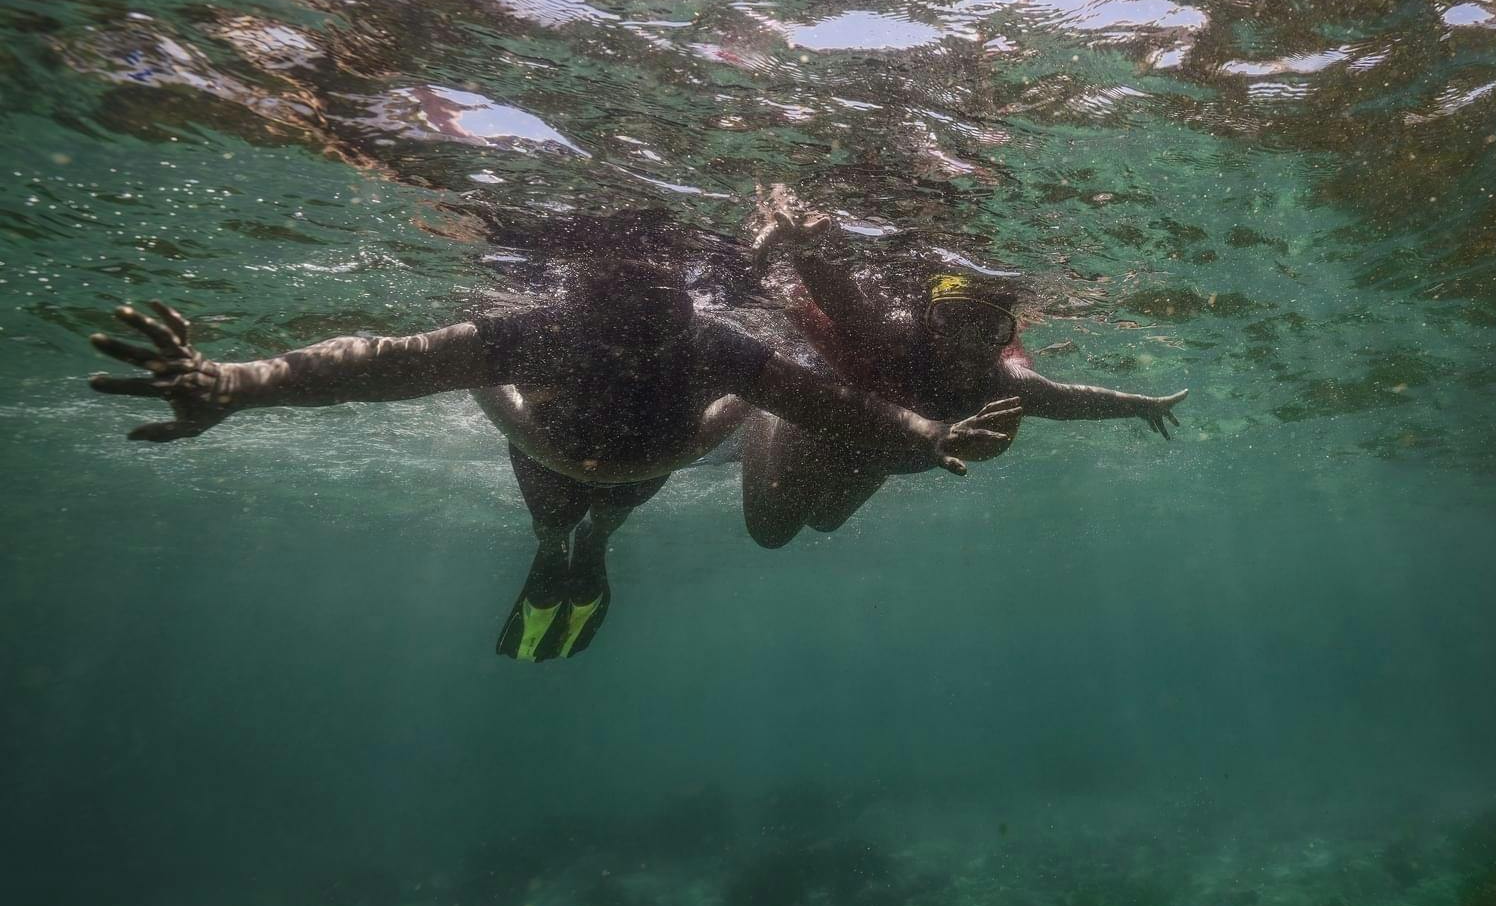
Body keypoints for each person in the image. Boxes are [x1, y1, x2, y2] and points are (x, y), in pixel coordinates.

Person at [85, 263, 1021, 663]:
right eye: (618, 292)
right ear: (583, 289)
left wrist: (923, 433)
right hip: (566, 454)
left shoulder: (711, 344)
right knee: (564, 510)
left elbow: (826, 403)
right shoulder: (551, 332)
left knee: (597, 511)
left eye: (654, 295)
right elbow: (388, 361)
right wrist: (237, 381)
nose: (637, 311)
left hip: (611, 460)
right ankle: (570, 545)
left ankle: (587, 545)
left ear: (677, 297)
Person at [741, 187, 1190, 548]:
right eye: (951, 321)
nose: (966, 345)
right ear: (926, 319)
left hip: (879, 455)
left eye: (988, 329)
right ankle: (762, 411)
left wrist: (1141, 405)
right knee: (773, 532)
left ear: (1005, 337)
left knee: (825, 523)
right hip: (827, 431)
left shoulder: (1005, 382)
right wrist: (804, 249)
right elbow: (847, 304)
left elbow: (1070, 400)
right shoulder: (897, 340)